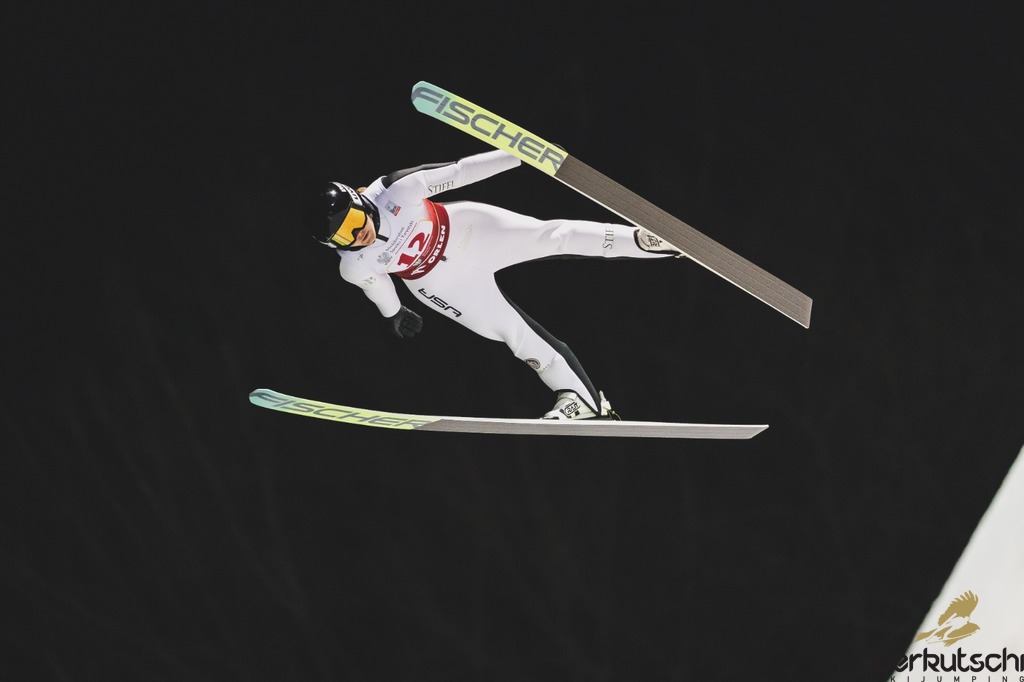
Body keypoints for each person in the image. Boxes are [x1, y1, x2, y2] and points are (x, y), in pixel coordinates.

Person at [304, 149, 685, 420]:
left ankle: (644, 242)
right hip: (439, 283)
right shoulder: (353, 264)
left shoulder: (396, 190)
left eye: (354, 221)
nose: (358, 234)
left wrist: (520, 155)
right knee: (513, 334)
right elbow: (377, 287)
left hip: (469, 232)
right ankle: (583, 400)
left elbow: (462, 171)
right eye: (344, 237)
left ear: (358, 199)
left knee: (553, 236)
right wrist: (395, 313)